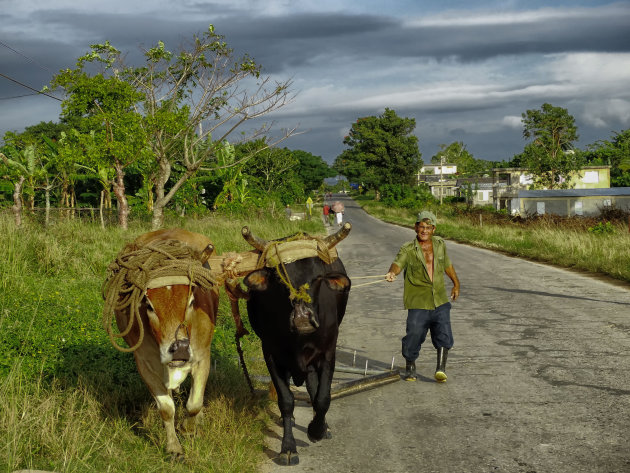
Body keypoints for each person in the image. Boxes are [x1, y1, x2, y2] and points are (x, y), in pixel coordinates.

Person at [385, 210, 460, 382]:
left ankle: (441, 369)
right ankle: (410, 366)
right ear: (415, 228)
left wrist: (456, 283)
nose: (424, 230)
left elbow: (447, 264)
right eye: (421, 227)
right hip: (418, 300)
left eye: (428, 227)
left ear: (434, 229)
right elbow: (398, 263)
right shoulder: (408, 248)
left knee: (444, 333)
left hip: (440, 298)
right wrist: (392, 273)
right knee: (414, 334)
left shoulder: (440, 244)